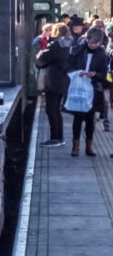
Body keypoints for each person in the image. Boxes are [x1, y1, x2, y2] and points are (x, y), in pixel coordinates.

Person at [68, 27, 108, 156]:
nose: (94, 45)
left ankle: (89, 147)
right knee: (78, 118)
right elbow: (68, 66)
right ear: (87, 40)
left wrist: (94, 74)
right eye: (92, 42)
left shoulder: (101, 53)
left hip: (92, 89)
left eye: (97, 43)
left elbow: (104, 73)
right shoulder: (78, 50)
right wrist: (78, 73)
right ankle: (75, 147)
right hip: (78, 88)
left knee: (90, 119)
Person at [35, 23, 72, 146]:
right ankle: (60, 137)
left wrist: (41, 53)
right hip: (62, 81)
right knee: (57, 110)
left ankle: (54, 138)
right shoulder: (69, 44)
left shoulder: (56, 45)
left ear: (56, 32)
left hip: (52, 80)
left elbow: (40, 59)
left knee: (51, 110)